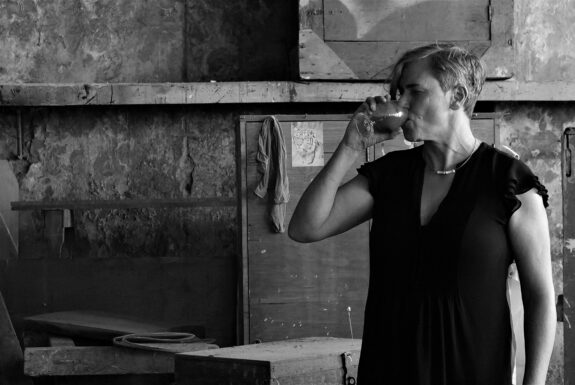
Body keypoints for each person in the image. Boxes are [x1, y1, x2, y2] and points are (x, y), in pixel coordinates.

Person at [288, 44, 556, 385]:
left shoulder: (509, 184)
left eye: (414, 91)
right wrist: (351, 146)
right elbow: (304, 227)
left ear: (457, 96)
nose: (400, 104)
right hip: (388, 373)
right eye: (397, 94)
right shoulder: (388, 177)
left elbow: (540, 298)